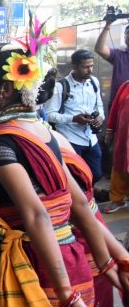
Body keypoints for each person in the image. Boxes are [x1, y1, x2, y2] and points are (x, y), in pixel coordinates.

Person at [0, 42, 121, 307]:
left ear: (4, 89)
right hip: (71, 260)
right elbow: (81, 203)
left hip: (33, 270)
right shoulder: (42, 130)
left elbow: (35, 214)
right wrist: (110, 263)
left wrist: (67, 297)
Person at [45, 49, 104, 182]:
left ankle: (87, 197)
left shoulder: (94, 82)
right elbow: (49, 115)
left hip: (91, 138)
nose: (90, 70)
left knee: (96, 173)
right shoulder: (61, 86)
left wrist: (100, 117)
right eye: (86, 67)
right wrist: (73, 118)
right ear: (74, 66)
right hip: (70, 140)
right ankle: (78, 201)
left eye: (92, 66)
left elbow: (99, 106)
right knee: (74, 178)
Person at [104, 80, 129, 213]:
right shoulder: (125, 86)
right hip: (123, 138)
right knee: (120, 168)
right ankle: (117, 199)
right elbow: (114, 110)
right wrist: (109, 131)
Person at [94, 16, 129, 105]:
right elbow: (99, 48)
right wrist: (107, 25)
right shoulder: (118, 55)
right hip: (118, 105)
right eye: (128, 33)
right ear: (125, 36)